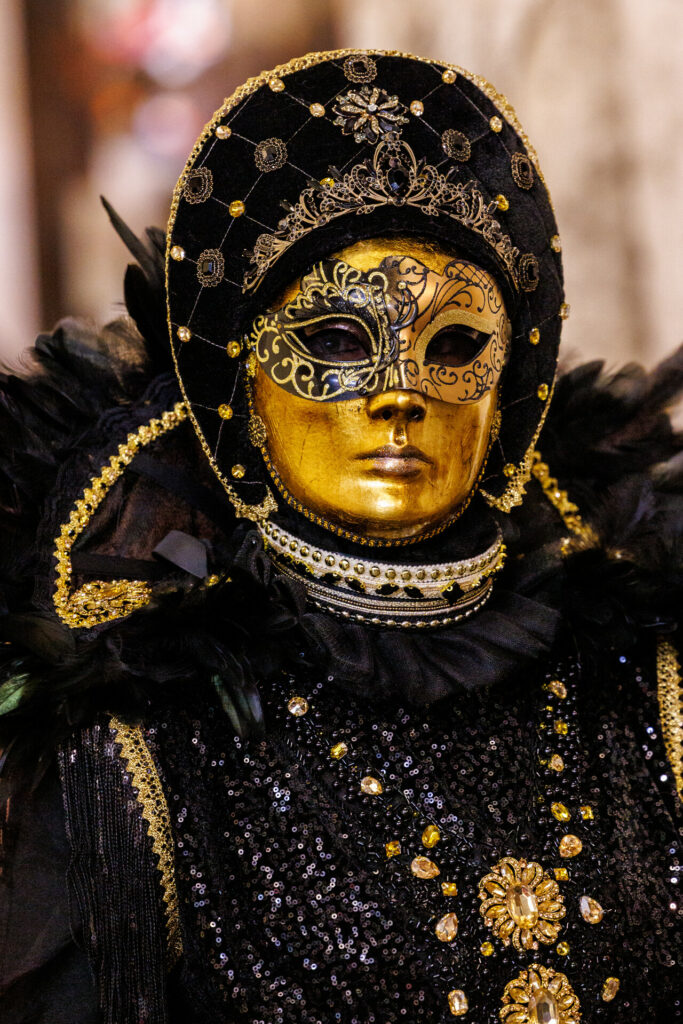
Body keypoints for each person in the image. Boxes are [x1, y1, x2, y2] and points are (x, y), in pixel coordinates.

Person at [1, 48, 681, 1023]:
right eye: (332, 340)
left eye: (453, 344)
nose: (398, 390)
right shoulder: (142, 748)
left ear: (509, 394)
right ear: (236, 390)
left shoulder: (646, 691)